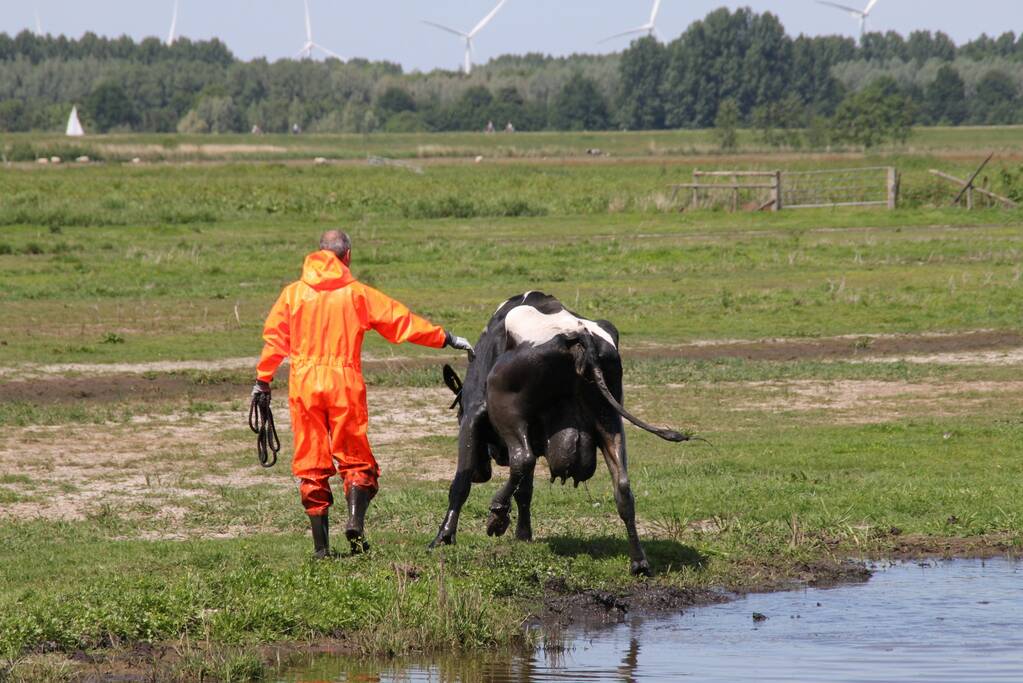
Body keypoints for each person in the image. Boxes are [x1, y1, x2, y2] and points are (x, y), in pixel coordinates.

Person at [254, 230, 474, 558]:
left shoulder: (292, 295)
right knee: (356, 458)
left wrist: (263, 380)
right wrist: (445, 337)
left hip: (304, 385)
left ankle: (321, 550)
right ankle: (355, 522)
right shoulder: (357, 295)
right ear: (347, 257)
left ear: (319, 254)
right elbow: (401, 322)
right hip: (344, 382)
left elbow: (275, 341)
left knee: (311, 462)